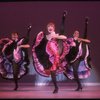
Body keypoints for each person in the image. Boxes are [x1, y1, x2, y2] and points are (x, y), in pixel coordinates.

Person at [32, 22, 68, 93]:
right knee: (51, 72)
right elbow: (39, 44)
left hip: (54, 56)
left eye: (51, 26)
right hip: (47, 57)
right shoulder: (45, 36)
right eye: (48, 26)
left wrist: (55, 36)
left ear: (54, 28)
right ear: (47, 28)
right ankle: (56, 87)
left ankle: (56, 88)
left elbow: (65, 37)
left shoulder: (56, 35)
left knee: (53, 71)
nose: (50, 27)